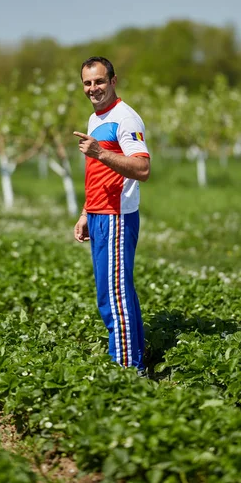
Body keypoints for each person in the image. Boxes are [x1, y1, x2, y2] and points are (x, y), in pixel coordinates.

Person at [73, 56, 150, 372]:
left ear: (114, 81)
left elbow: (143, 168)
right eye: (88, 83)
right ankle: (135, 362)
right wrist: (84, 213)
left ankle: (125, 371)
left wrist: (101, 152)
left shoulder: (126, 119)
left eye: (100, 81)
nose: (94, 88)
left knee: (113, 298)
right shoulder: (95, 119)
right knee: (119, 292)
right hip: (99, 215)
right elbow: (96, 172)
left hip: (117, 217)